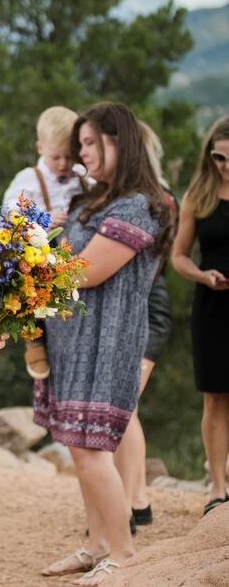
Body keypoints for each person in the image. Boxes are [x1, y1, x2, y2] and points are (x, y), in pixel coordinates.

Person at [36, 103, 173, 586]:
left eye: (92, 143)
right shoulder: (96, 201)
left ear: (121, 143)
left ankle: (123, 551)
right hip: (74, 343)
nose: (82, 154)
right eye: (81, 145)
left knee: (94, 450)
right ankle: (96, 543)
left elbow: (88, 270)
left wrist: (30, 266)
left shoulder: (138, 205)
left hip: (107, 343)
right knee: (78, 448)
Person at [112, 120, 177, 529]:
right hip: (128, 312)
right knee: (123, 407)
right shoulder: (122, 199)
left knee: (123, 406)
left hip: (148, 312)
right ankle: (135, 500)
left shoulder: (160, 201)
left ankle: (132, 501)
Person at [3, 106, 89, 379]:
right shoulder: (28, 179)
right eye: (56, 157)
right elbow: (10, 214)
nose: (63, 164)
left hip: (75, 251)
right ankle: (34, 340)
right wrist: (42, 220)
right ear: (40, 147)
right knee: (30, 292)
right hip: (40, 248)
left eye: (69, 156)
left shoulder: (82, 177)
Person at [170, 115, 229, 517]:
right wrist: (202, 276)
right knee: (215, 399)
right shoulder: (199, 195)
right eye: (219, 157)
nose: (225, 165)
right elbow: (178, 256)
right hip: (213, 306)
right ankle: (217, 486)